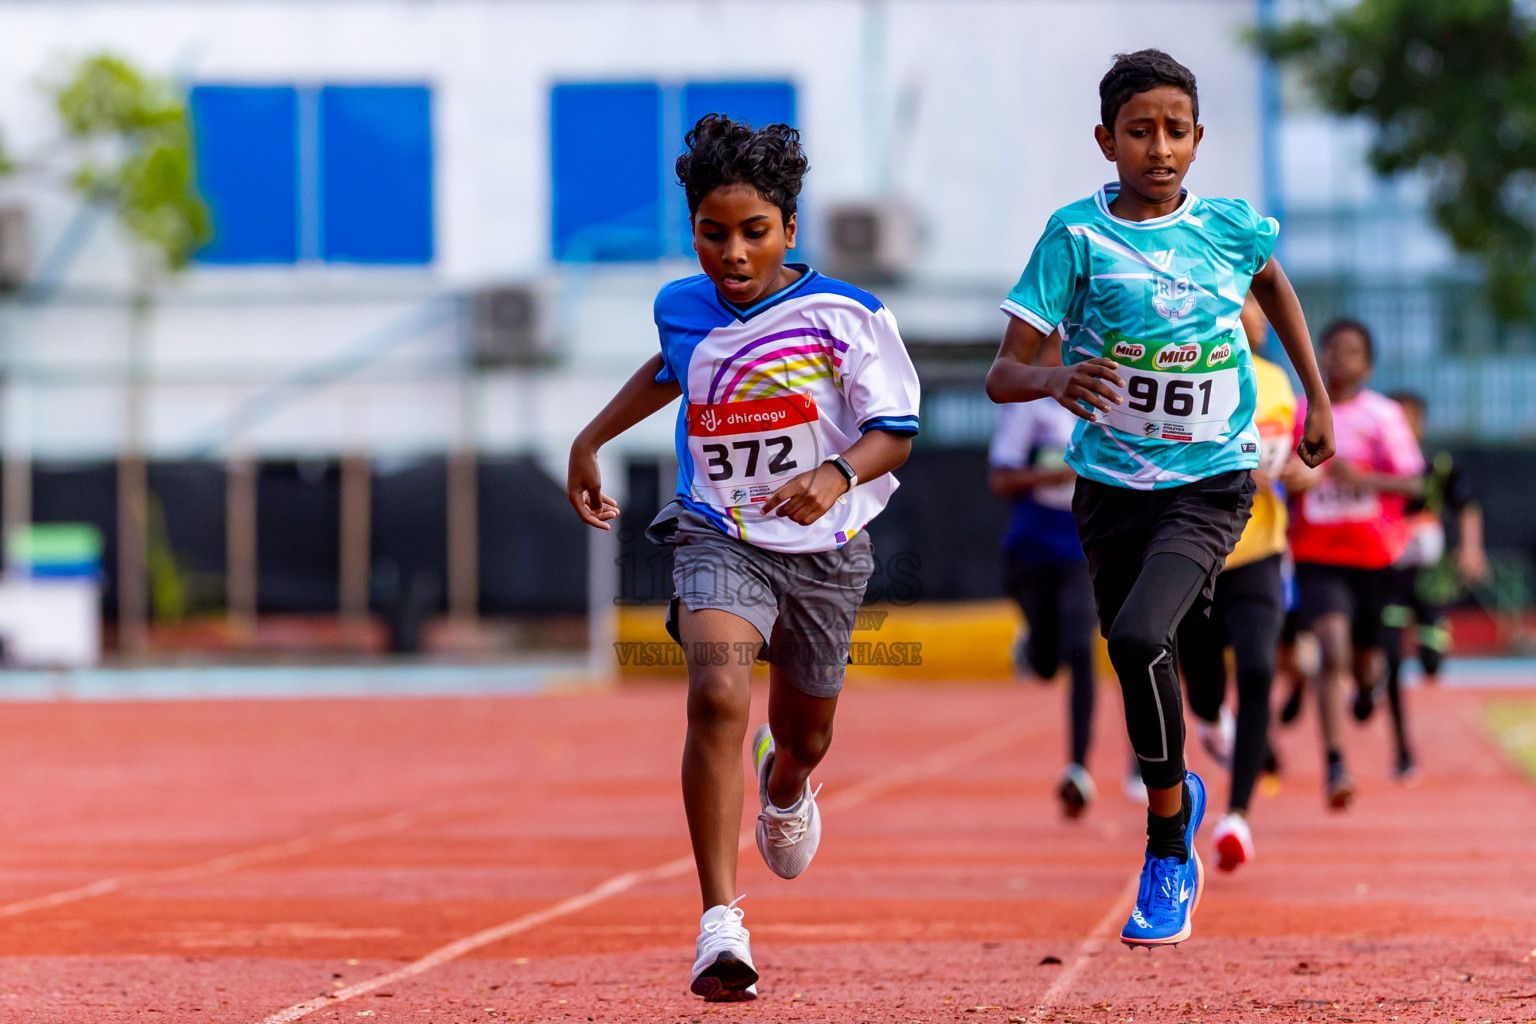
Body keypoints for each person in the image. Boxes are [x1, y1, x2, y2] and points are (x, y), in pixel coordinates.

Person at [567, 114, 919, 1002]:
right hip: (719, 532)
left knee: (806, 734)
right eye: (712, 233)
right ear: (691, 229)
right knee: (718, 691)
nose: (731, 253)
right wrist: (591, 437)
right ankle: (720, 923)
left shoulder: (846, 315)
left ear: (789, 230)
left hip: (827, 554)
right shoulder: (679, 305)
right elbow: (673, 367)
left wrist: (836, 474)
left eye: (753, 233)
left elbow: (896, 433)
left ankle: (786, 783)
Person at [984, 50, 1333, 948]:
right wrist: (1054, 378)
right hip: (1109, 488)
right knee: (1140, 649)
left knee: (1142, 635)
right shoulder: (1076, 238)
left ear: (1198, 138)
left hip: (1210, 483)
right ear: (1107, 140)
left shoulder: (1229, 227)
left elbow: (1273, 285)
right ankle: (1181, 790)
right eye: (1140, 131)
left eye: (1176, 130)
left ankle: (1167, 843)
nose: (1160, 147)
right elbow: (1001, 372)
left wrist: (1316, 395)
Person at [1176, 294, 1295, 872]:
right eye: (1238, 301)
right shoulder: (1192, 365)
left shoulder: (1277, 384)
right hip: (1199, 554)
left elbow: (1302, 462)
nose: (1248, 312)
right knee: (1201, 683)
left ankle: (1238, 817)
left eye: (1256, 305)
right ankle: (1211, 719)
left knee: (1257, 670)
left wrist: (1287, 467)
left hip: (1260, 553)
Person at [1283, 320, 1423, 809]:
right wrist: (1293, 479)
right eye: (1332, 349)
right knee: (1330, 650)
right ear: (1318, 355)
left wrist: (1357, 478)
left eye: (1352, 352)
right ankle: (1336, 765)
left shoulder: (1383, 417)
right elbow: (1283, 473)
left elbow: (1414, 485)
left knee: (1364, 665)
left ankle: (1368, 688)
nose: (1340, 360)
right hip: (1317, 554)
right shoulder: (1301, 412)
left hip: (1373, 559)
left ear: (1368, 364)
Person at [989, 335, 1100, 818]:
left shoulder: (1105, 399)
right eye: (1056, 344)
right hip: (1032, 547)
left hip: (1083, 545)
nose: (1065, 353)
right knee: (1049, 661)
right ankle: (1033, 644)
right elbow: (1001, 479)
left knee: (1082, 645)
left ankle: (1077, 767)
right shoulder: (1031, 409)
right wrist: (1052, 476)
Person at [1377, 391, 1489, 781]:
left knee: (1430, 664)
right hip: (1388, 576)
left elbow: (1468, 505)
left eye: (1412, 419)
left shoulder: (1438, 465)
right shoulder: (1375, 465)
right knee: (1391, 664)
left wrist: (1471, 551)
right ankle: (1403, 751)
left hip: (1428, 581)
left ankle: (1424, 647)